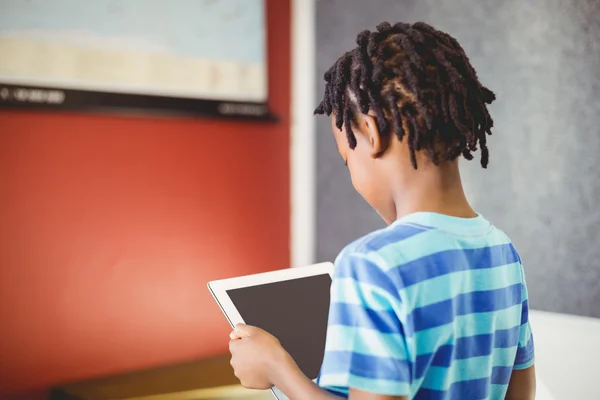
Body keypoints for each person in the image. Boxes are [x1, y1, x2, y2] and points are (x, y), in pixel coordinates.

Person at [228, 21, 536, 400]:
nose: (353, 177)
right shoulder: (503, 253)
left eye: (347, 160)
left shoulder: (372, 264)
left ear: (371, 135)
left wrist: (277, 367)